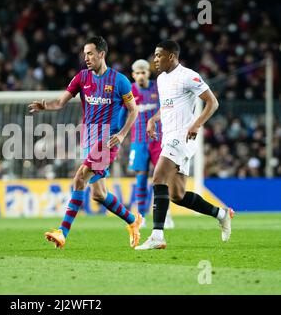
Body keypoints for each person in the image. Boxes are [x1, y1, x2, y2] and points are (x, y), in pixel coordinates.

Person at [28, 36, 142, 249]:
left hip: (107, 142)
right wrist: (45, 106)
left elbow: (134, 110)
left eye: (90, 53)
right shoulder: (82, 78)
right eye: (84, 53)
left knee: (79, 178)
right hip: (88, 139)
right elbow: (61, 102)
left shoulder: (120, 81)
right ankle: (132, 220)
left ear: (102, 54)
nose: (86, 57)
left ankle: (62, 232)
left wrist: (123, 134)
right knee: (99, 194)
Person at [135, 40, 234, 250]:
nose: (155, 59)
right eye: (154, 55)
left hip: (182, 137)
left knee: (157, 176)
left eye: (159, 55)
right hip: (169, 137)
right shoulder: (161, 80)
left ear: (171, 56)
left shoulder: (188, 75)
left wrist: (197, 124)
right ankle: (222, 214)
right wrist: (153, 119)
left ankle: (157, 235)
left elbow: (212, 102)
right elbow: (167, 107)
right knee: (177, 195)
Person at [122, 59, 174, 228]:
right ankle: (142, 216)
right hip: (138, 142)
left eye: (143, 72)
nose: (140, 76)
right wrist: (118, 132)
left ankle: (165, 215)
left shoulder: (157, 88)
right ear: (133, 75)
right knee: (141, 179)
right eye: (137, 73)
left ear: (148, 73)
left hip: (157, 140)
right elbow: (122, 114)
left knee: (161, 178)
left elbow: (166, 106)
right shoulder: (128, 91)